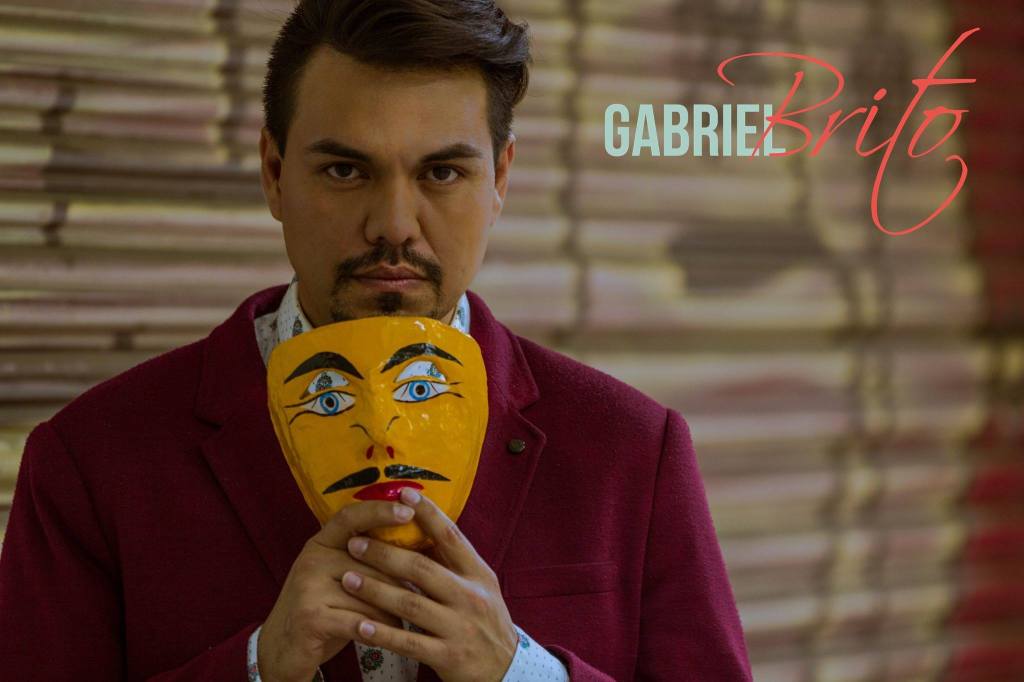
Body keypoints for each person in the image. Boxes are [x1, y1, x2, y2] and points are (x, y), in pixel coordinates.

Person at [0, 0, 752, 680]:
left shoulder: (633, 451)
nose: (394, 224)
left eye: (442, 172)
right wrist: (258, 667)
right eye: (344, 169)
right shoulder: (90, 462)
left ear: (500, 179)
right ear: (274, 172)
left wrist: (519, 672)